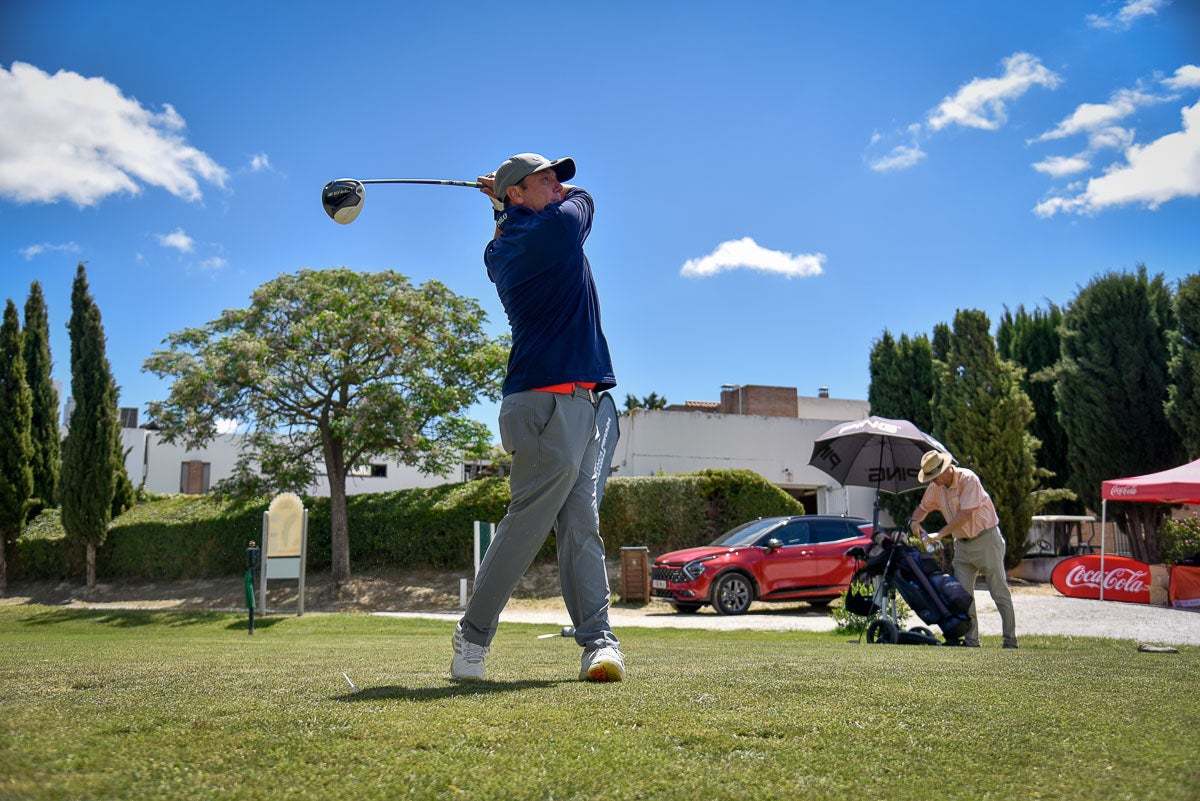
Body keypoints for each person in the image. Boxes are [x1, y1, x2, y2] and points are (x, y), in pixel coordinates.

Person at [450, 153, 625, 682]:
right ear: (518, 193)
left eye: (558, 179)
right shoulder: (557, 228)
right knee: (527, 524)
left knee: (581, 526)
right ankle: (472, 638)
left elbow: (511, 226)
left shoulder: (498, 247)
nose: (558, 186)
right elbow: (587, 199)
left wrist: (501, 206)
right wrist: (513, 200)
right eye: (545, 179)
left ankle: (599, 644)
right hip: (549, 403)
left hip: (577, 402)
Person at [908, 449, 1018, 649]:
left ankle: (1010, 641)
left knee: (999, 592)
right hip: (962, 546)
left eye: (935, 477)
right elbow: (923, 508)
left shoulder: (968, 479)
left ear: (946, 469)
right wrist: (914, 521)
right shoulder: (936, 487)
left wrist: (939, 534)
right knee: (962, 597)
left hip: (986, 541)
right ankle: (971, 641)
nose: (933, 482)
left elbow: (965, 515)